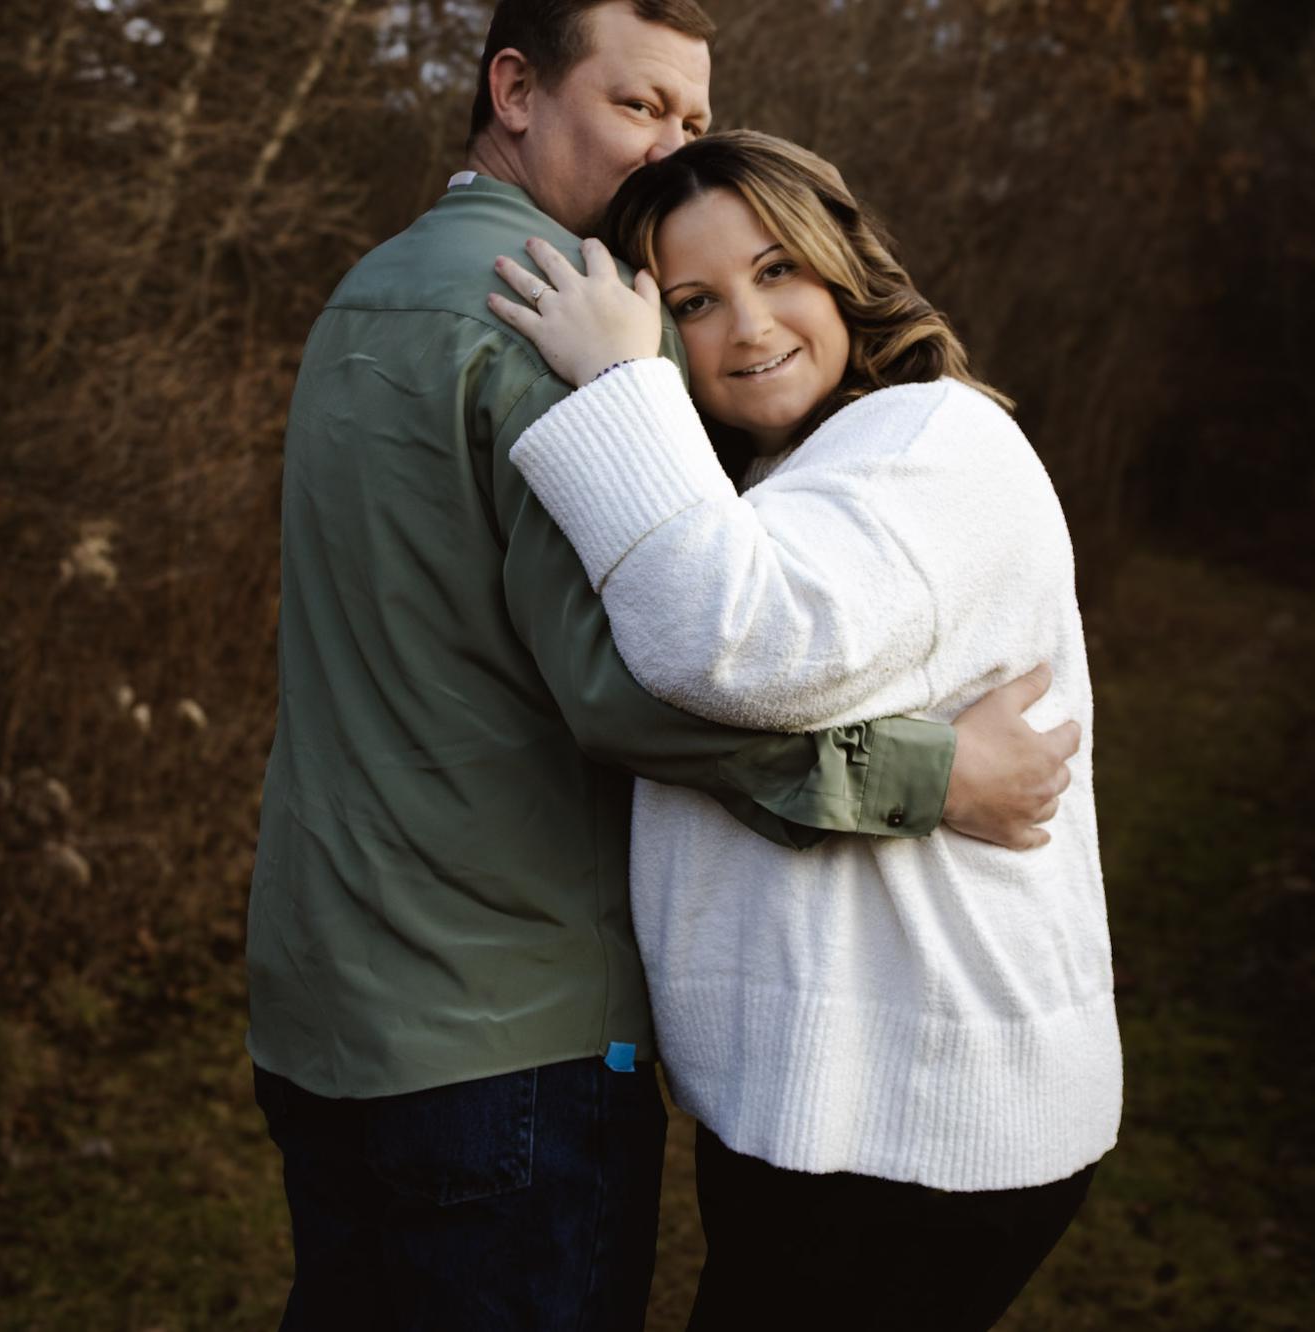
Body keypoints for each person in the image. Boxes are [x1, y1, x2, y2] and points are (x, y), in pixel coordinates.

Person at [246, 4, 1081, 1328]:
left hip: (320, 993)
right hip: (506, 1015)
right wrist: (931, 776)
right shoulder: (552, 320)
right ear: (514, 88)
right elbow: (647, 685)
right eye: (638, 105)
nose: (670, 148)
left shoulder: (369, 292)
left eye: (694, 117)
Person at [489, 128, 1122, 1330]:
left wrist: (617, 384)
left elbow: (736, 643)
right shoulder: (794, 473)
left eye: (777, 269)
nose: (748, 325)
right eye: (693, 302)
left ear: (846, 270)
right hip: (839, 1110)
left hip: (920, 1118)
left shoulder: (931, 438)